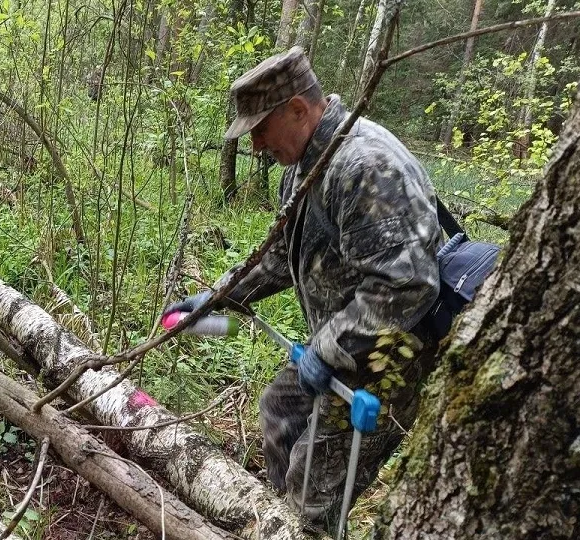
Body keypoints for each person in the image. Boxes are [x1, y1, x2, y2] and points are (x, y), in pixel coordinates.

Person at [164, 46, 442, 533]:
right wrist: (219, 298)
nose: (255, 147)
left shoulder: (364, 166)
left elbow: (408, 283)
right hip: (337, 350)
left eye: (260, 130)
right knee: (281, 413)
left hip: (386, 360)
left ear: (297, 109)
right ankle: (274, 521)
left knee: (313, 488)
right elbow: (279, 256)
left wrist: (328, 348)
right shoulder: (303, 164)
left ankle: (301, 525)